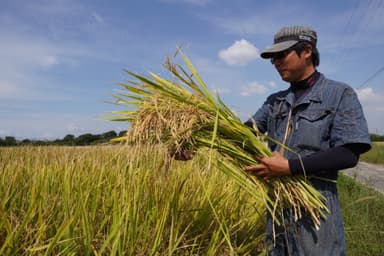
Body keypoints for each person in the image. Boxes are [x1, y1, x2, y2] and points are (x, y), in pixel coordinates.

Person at [243, 26, 371, 255]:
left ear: (307, 51)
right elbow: (243, 134)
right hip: (278, 207)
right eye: (273, 59)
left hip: (316, 209)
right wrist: (200, 141)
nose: (276, 63)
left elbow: (349, 152)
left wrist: (290, 167)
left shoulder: (339, 94)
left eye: (282, 55)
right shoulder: (275, 102)